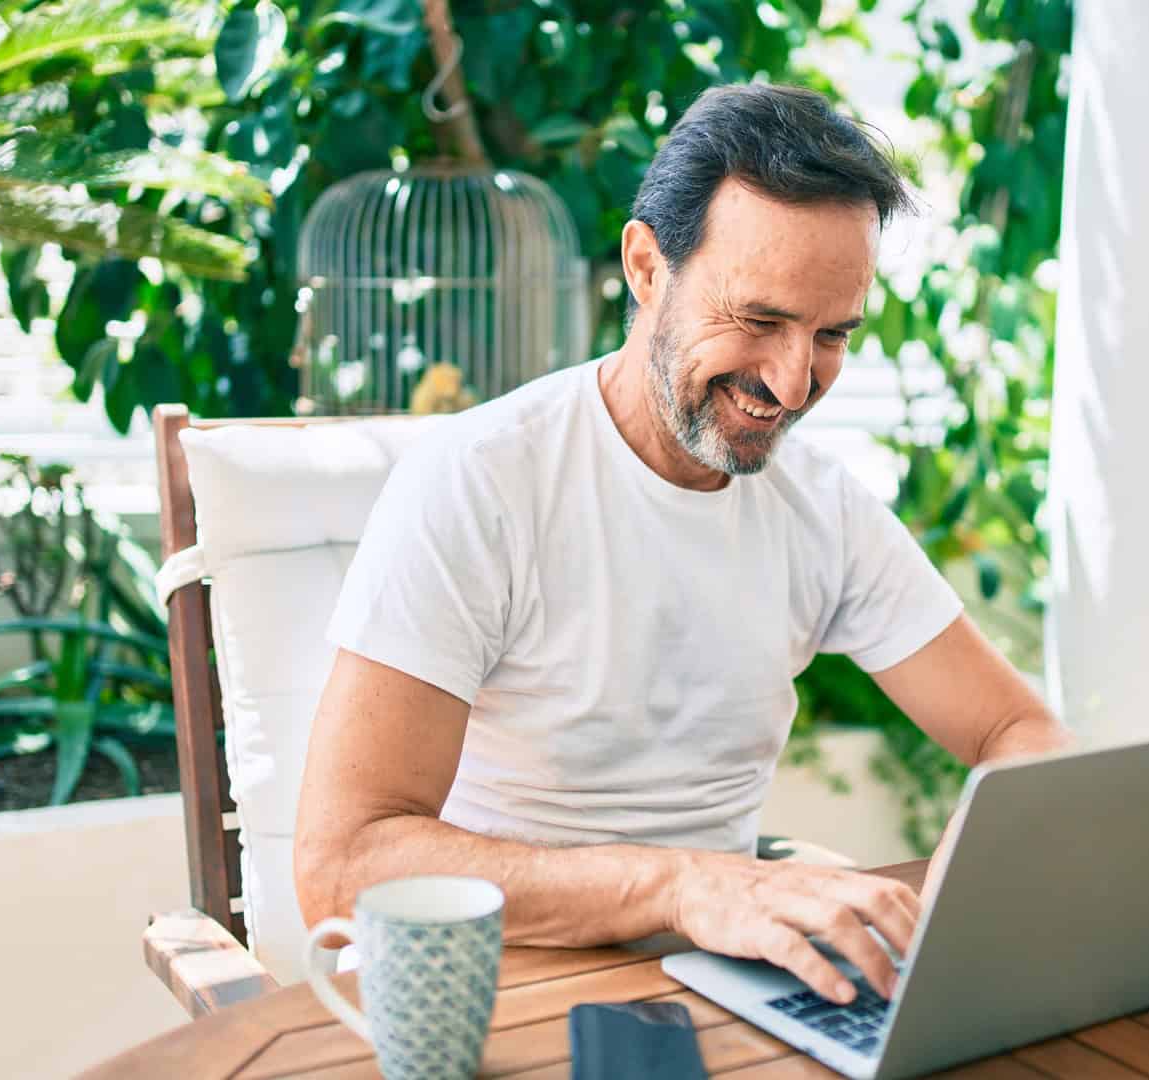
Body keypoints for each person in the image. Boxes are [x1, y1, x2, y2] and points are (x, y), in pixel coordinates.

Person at [295, 83, 1065, 1007]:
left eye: (831, 335)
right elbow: (343, 865)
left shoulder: (823, 510)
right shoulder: (481, 481)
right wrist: (685, 882)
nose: (790, 383)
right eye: (760, 320)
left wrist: (950, 919)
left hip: (724, 991)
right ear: (647, 268)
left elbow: (1019, 731)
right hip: (498, 993)